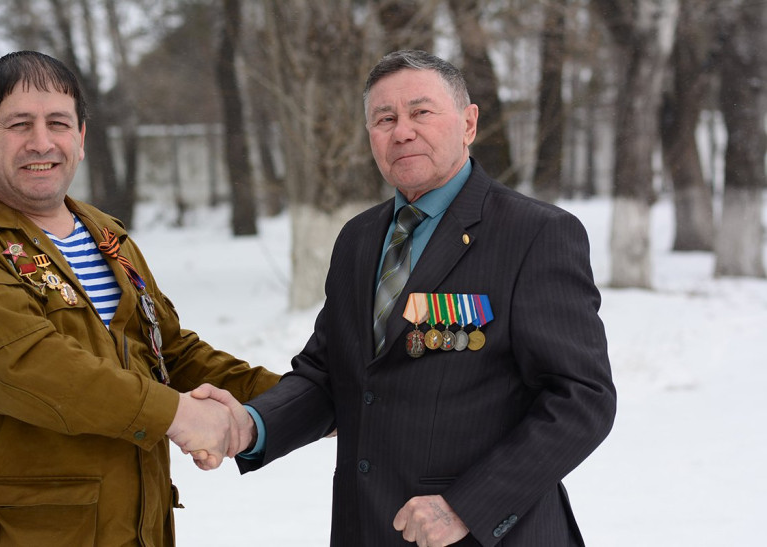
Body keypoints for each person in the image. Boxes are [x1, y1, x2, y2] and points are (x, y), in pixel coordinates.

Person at [196, 50, 617, 546]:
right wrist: (251, 425)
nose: (402, 132)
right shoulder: (358, 239)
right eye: (385, 119)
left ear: (468, 123)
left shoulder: (534, 234)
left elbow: (581, 399)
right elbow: (330, 375)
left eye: (421, 112)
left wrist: (467, 506)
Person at [0, 50, 279, 546]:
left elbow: (171, 353)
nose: (42, 142)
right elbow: (26, 366)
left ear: (81, 138)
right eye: (19, 124)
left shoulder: (106, 236)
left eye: (58, 123)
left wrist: (298, 401)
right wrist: (179, 416)